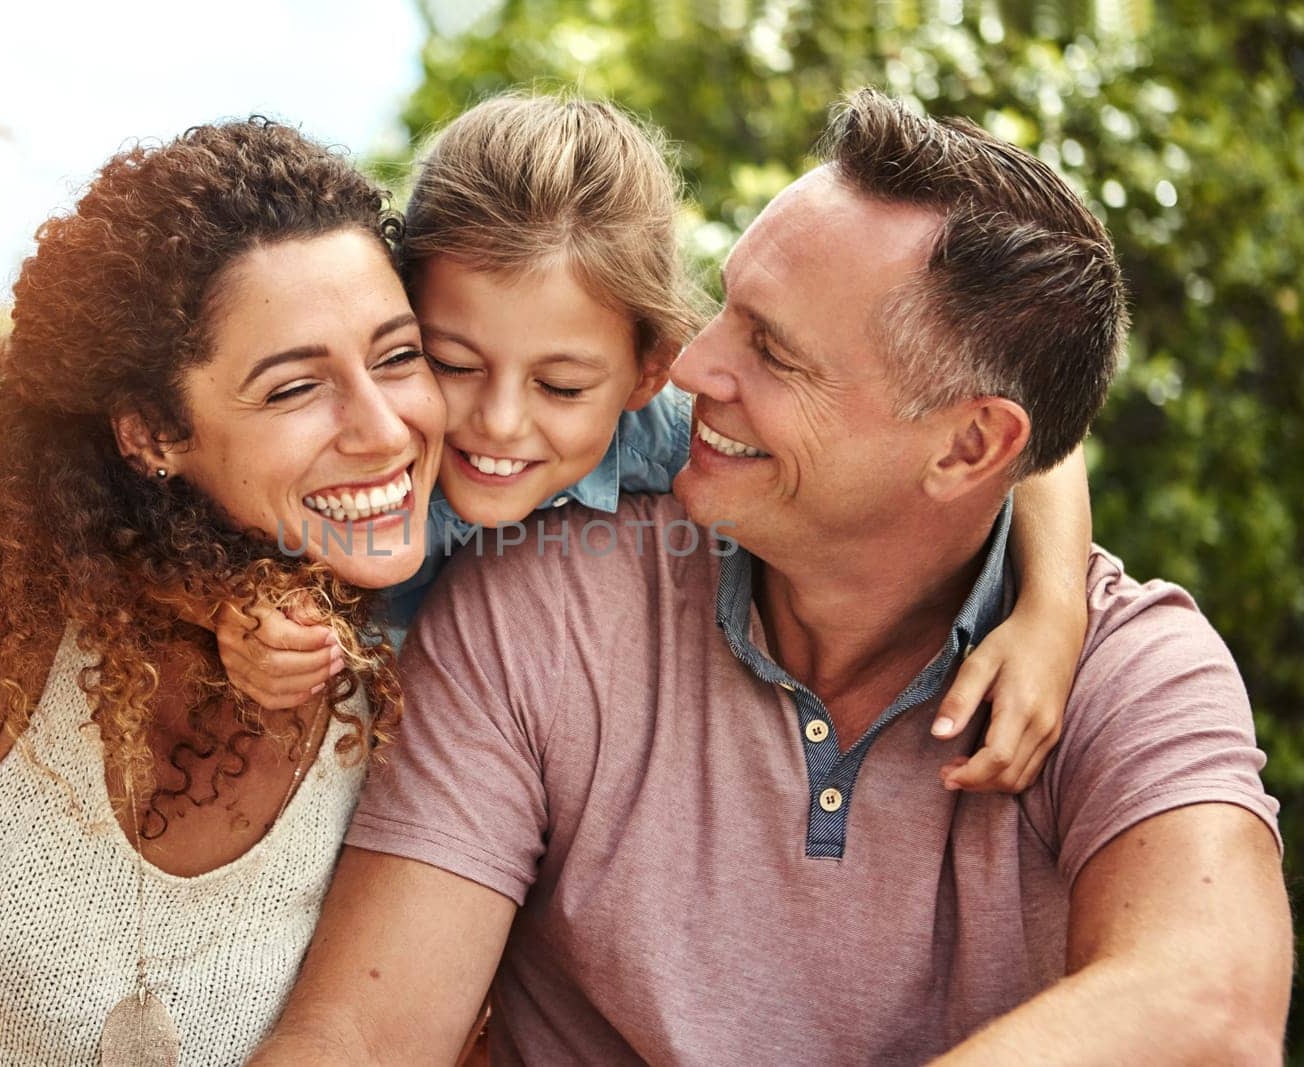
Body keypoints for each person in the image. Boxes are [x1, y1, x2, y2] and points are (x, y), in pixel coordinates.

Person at [250, 90, 1291, 1065]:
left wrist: (1054, 606)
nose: (697, 365)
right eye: (727, 311)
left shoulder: (1125, 669)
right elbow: (366, 1035)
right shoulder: (541, 595)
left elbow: (1211, 1005)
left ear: (969, 447)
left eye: (771, 351)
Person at [223, 91, 1095, 794]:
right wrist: (232, 610)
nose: (496, 422)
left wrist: (1054, 612)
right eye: (449, 362)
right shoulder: (359, 451)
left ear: (649, 370)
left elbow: (1032, 433)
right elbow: (177, 518)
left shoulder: (665, 436)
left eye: (561, 387)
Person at [0, 119, 446, 1065]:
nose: (386, 430)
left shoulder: (428, 657)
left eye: (398, 356)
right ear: (151, 432)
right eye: (294, 388)